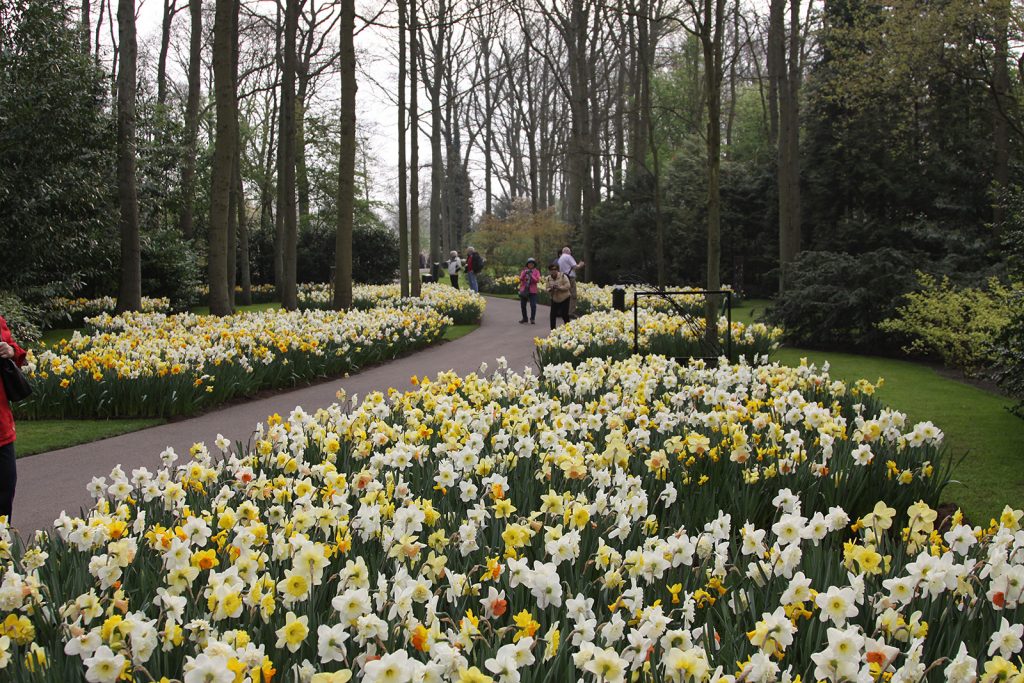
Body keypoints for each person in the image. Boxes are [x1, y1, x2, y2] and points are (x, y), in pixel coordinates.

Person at [0, 315, 26, 523]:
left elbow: (14, 351)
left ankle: (2, 546)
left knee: (6, 488)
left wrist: (11, 351)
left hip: (2, 427)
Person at [557, 246, 585, 318]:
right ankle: (571, 312)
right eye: (570, 252)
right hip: (570, 278)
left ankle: (563, 311)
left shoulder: (560, 259)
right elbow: (575, 267)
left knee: (565, 295)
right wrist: (581, 264)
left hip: (563, 277)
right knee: (573, 295)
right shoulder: (568, 257)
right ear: (568, 252)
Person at [545, 262, 571, 329]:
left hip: (565, 298)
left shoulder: (563, 276)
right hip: (555, 298)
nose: (553, 271)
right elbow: (547, 288)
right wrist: (551, 289)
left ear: (557, 270)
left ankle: (569, 329)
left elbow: (568, 286)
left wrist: (559, 288)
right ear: (549, 271)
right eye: (551, 269)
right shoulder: (548, 278)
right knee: (552, 315)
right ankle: (553, 331)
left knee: (564, 314)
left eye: (555, 269)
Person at [518, 257, 541, 324]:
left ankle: (532, 319)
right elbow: (521, 279)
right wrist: (525, 273)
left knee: (533, 305)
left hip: (532, 290)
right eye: (529, 263)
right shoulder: (524, 271)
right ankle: (525, 318)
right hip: (524, 290)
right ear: (527, 264)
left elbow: (537, 280)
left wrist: (531, 275)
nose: (530, 265)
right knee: (523, 305)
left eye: (532, 263)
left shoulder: (536, 271)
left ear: (534, 264)